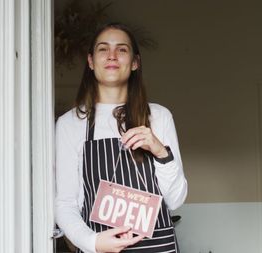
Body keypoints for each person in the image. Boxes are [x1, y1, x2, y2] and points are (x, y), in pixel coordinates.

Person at [55, 22, 188, 253]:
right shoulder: (70, 123)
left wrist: (160, 152)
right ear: (90, 61)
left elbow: (175, 200)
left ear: (135, 62)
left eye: (122, 49)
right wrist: (92, 243)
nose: (112, 56)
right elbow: (65, 203)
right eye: (103, 49)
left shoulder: (158, 116)